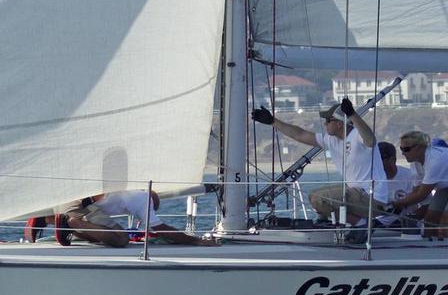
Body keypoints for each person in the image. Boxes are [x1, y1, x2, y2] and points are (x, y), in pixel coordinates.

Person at [252, 98, 387, 224]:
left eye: (328, 120)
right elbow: (300, 134)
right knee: (314, 197)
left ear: (340, 123)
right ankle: (331, 225)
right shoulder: (331, 140)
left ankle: (361, 225)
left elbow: (370, 140)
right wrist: (273, 121)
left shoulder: (358, 135)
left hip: (372, 197)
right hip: (356, 194)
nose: (325, 123)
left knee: (319, 199)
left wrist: (352, 114)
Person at [29, 190, 216, 247]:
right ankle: (72, 225)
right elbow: (159, 228)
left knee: (99, 234)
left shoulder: (129, 189)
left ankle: (45, 220)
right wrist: (196, 241)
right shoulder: (144, 200)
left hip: (63, 201)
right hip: (77, 209)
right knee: (121, 239)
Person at [390, 131, 448, 238]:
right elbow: (416, 190)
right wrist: (401, 204)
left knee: (447, 221)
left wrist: (395, 204)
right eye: (401, 149)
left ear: (420, 147)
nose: (403, 153)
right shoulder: (414, 161)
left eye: (406, 149)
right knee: (430, 220)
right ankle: (430, 247)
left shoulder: (434, 160)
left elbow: (422, 194)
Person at [377, 141, 425, 228]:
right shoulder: (371, 180)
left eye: (379, 160)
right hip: (377, 225)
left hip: (405, 225)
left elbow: (424, 203)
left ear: (392, 160)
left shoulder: (410, 176)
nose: (375, 164)